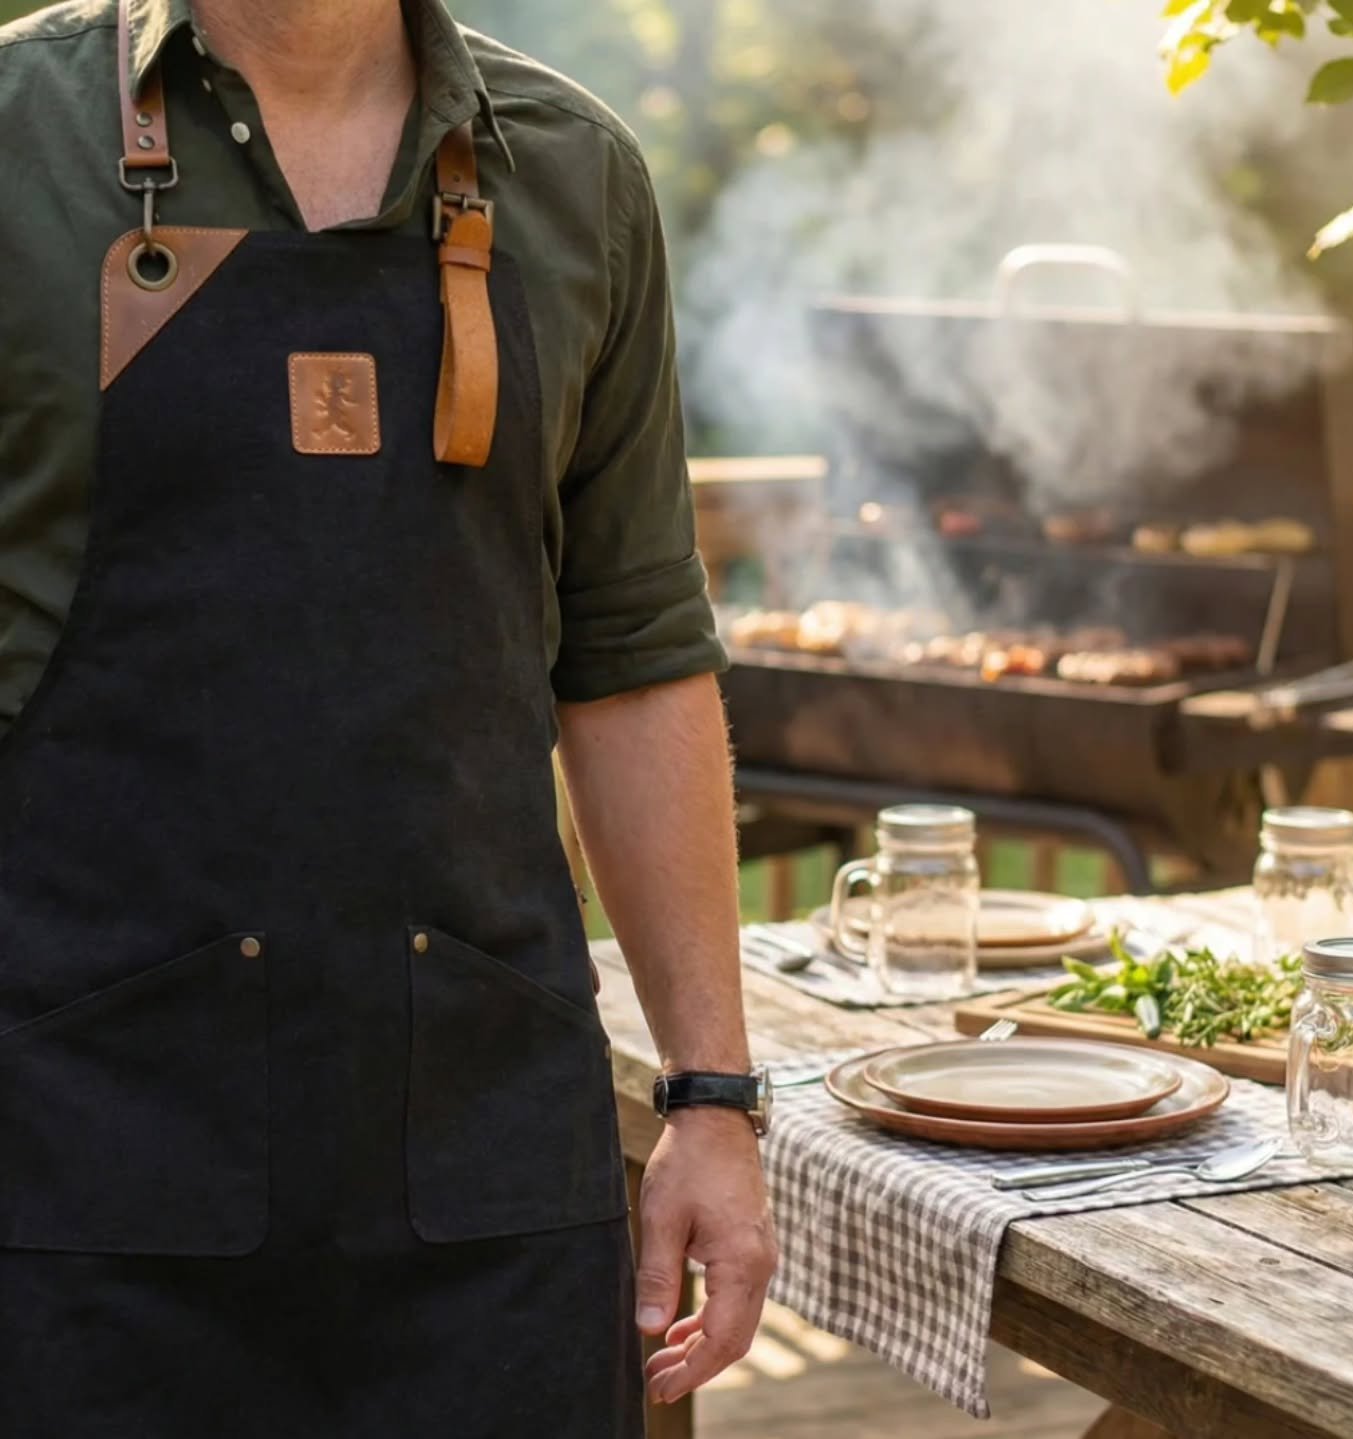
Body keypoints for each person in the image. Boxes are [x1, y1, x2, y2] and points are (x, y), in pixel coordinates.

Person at [0, 0, 776, 1433]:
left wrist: (710, 1100)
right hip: (77, 1164)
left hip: (489, 1183)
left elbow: (637, 654)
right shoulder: (17, 139)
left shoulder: (575, 173)